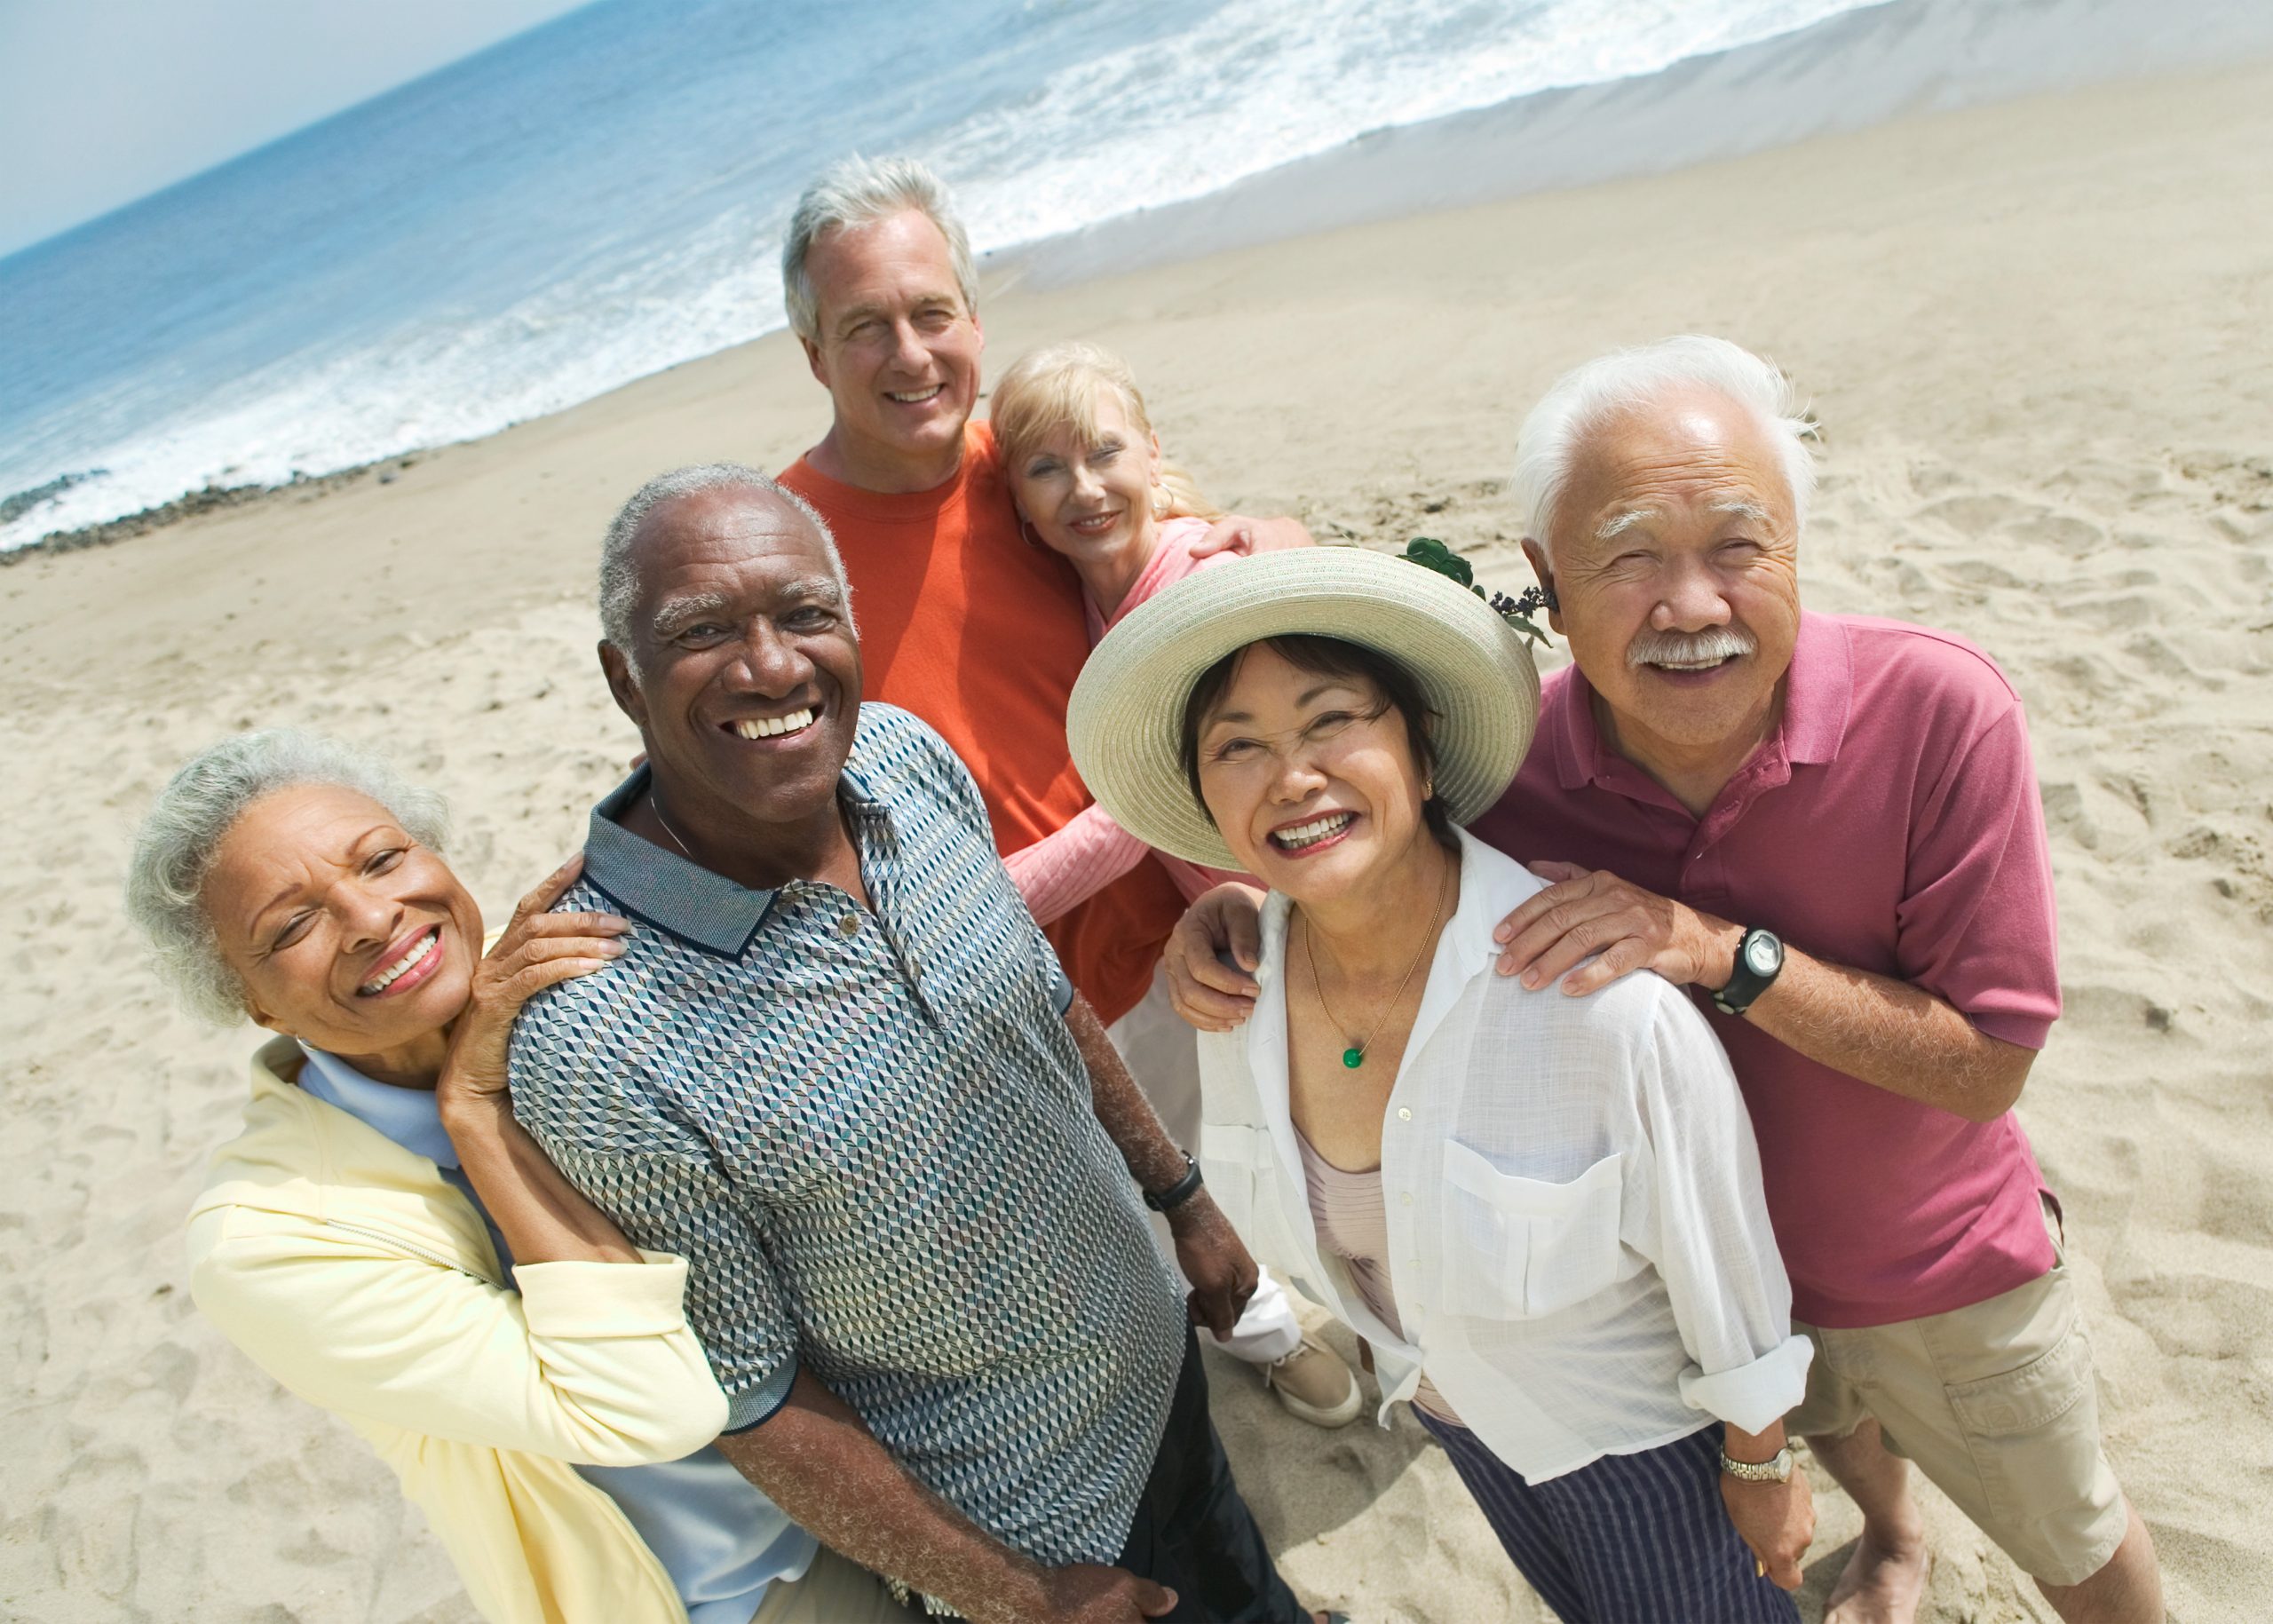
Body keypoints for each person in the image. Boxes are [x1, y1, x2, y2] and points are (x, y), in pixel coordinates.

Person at [1164, 337, 2166, 1624]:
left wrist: (1712, 949)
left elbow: (1989, 1065)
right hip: (1689, 1297)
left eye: (1740, 546)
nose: (1690, 605)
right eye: (1631, 556)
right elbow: (1372, 852)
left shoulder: (1939, 710)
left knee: (2076, 1538)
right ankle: (1898, 1539)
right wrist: (1248, 909)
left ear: (1795, 543)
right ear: (1548, 582)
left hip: (1937, 1271)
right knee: (1852, 1464)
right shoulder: (1509, 775)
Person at [503, 466, 1327, 1624]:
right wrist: (1022, 1594)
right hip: (1041, 1525)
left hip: (1164, 1374)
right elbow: (752, 1398)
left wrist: (1181, 1197)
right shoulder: (596, 1032)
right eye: (702, 632)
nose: (770, 666)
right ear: (621, 680)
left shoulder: (901, 756)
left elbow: (1038, 1001)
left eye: (803, 614)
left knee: (1251, 1590)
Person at [1066, 545, 1815, 1623]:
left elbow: (1723, 1259)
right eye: (1240, 746)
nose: (1292, 775)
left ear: (1421, 755)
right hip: (1464, 1426)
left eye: (1332, 721)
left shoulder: (1596, 1005)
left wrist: (1758, 1460)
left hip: (1641, 1445)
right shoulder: (1235, 995)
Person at [773, 156, 1351, 1430]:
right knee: (1114, 1239)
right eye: (865, 326)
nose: (909, 353)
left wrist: (1274, 532)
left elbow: (1184, 540)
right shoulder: (785, 546)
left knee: (1224, 1160)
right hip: (997, 992)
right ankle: (1196, 1369)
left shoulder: (1029, 462)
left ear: (976, 323)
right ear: (814, 353)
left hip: (1172, 925)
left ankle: (1257, 1318)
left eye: (933, 313)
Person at [129, 730, 900, 1624]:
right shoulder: (268, 1241)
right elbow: (651, 1405)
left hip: (922, 1455)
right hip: (753, 1590)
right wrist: (476, 1112)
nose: (373, 918)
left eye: (382, 858)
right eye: (293, 924)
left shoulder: (576, 958)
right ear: (249, 999)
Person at [987, 338, 1359, 1427]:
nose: (1085, 486)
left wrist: (983, 908)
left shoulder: (1200, 579)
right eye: (1046, 468)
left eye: (1105, 451)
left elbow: (1134, 808)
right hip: (1262, 927)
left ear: (1152, 451)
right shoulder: (1088, 607)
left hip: (1326, 904)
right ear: (1014, 497)